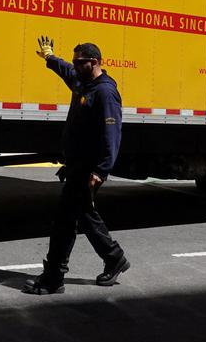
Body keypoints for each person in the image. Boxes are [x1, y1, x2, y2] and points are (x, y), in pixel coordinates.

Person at [23, 36, 130, 294]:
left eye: (79, 62)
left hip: (88, 169)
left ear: (93, 63)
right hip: (76, 166)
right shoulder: (83, 82)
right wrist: (50, 57)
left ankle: (54, 278)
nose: (74, 66)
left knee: (65, 221)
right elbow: (65, 71)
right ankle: (114, 258)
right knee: (83, 216)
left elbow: (111, 136)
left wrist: (101, 171)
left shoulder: (104, 92)